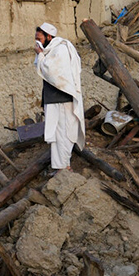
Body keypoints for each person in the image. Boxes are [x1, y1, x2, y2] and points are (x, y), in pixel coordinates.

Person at [34, 22, 85, 172]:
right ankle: (60, 167)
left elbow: (52, 71)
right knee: (56, 134)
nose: (37, 42)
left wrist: (40, 54)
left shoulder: (61, 49)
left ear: (49, 37)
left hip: (63, 100)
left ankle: (64, 166)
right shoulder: (50, 50)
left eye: (40, 39)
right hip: (54, 100)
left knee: (64, 133)